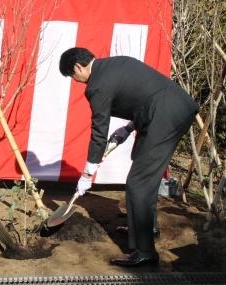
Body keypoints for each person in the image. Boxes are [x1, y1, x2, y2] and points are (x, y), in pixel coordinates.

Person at [59, 47, 199, 267]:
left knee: (138, 183)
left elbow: (99, 131)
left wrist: (88, 172)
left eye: (73, 77)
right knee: (144, 171)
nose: (77, 82)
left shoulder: (96, 85)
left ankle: (145, 251)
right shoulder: (118, 63)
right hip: (175, 107)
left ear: (78, 67)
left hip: (165, 116)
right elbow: (146, 95)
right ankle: (145, 227)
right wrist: (127, 128)